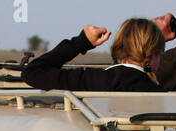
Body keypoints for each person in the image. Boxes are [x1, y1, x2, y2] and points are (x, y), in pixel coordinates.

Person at [21, 19, 163, 93]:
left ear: (119, 47)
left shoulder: (93, 80)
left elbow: (33, 72)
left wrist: (80, 43)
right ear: (154, 55)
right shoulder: (160, 94)